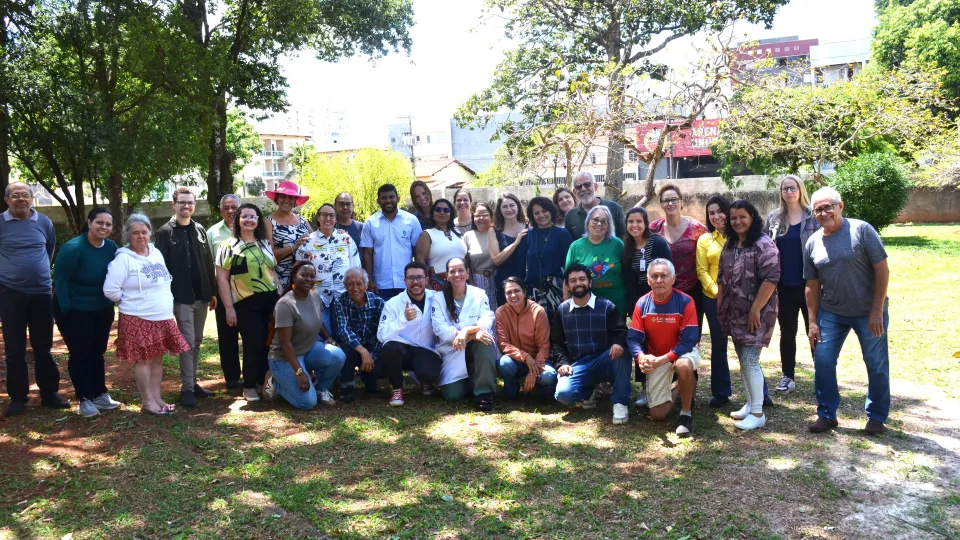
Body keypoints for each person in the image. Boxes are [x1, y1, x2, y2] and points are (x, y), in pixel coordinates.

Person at [804, 187, 890, 435]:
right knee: (823, 360)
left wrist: (876, 311)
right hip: (832, 313)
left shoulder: (861, 230)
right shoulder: (813, 242)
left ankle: (876, 416)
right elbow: (811, 285)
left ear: (840, 206)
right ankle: (827, 414)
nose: (823, 212)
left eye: (828, 206)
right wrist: (812, 322)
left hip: (868, 312)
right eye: (818, 209)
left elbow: (882, 271)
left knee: (875, 364)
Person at [104, 213, 190, 415]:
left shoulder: (156, 253)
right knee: (143, 360)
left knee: (157, 359)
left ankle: (157, 397)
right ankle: (148, 401)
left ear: (150, 233)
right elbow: (110, 290)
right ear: (128, 235)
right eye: (135, 233)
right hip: (137, 318)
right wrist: (132, 302)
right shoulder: (123, 259)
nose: (140, 236)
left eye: (144, 232)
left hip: (162, 316)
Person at [0, 182, 68, 416]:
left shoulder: (44, 222)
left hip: (40, 293)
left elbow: (49, 250)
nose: (21, 199)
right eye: (16, 195)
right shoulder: (1, 222)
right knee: (14, 347)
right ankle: (18, 398)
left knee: (43, 345)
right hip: (10, 293)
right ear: (7, 199)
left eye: (25, 195)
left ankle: (49, 393)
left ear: (32, 198)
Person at [717, 200, 780, 431]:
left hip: (758, 313)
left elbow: (771, 279)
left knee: (751, 359)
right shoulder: (731, 244)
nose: (737, 222)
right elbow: (722, 277)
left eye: (742, 217)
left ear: (752, 217)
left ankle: (757, 412)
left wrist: (755, 309)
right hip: (734, 312)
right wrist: (720, 304)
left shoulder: (764, 244)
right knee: (743, 358)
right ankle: (751, 403)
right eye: (733, 218)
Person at [52, 208, 120, 418]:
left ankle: (100, 393)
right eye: (99, 222)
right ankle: (84, 398)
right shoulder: (73, 248)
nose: (104, 227)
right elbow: (60, 280)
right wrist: (67, 310)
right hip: (74, 309)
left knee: (97, 352)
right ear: (89, 223)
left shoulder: (111, 248)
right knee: (80, 353)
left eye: (108, 224)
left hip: (101, 309)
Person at [155, 187, 218, 408]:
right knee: (188, 342)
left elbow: (208, 263)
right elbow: (160, 268)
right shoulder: (164, 232)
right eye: (182, 202)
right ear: (174, 204)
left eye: (190, 202)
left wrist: (212, 291)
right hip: (180, 296)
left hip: (201, 294)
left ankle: (193, 383)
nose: (186, 206)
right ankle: (187, 389)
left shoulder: (200, 230)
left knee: (197, 342)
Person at [627, 259, 701, 437]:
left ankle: (685, 414)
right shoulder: (642, 303)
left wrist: (662, 359)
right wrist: (641, 358)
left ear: (673, 279)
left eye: (664, 276)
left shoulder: (685, 301)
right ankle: (684, 387)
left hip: (682, 353)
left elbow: (688, 341)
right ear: (648, 280)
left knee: (682, 365)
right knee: (657, 414)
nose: (659, 280)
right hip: (656, 357)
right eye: (655, 276)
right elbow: (633, 338)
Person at [215, 203, 280, 402]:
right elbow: (222, 278)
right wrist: (228, 308)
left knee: (268, 343)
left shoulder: (264, 243)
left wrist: (281, 293)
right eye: (245, 216)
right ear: (238, 219)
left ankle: (263, 381)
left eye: (254, 216)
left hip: (270, 300)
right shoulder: (227, 246)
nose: (250, 220)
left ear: (258, 220)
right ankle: (249, 385)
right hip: (245, 302)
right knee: (254, 342)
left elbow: (272, 271)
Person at [551, 264, 630, 424]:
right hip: (579, 364)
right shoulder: (562, 310)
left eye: (582, 279)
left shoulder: (607, 306)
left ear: (590, 283)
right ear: (567, 285)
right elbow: (556, 342)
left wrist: (617, 343)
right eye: (573, 280)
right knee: (563, 394)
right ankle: (588, 391)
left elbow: (621, 331)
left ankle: (620, 402)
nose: (578, 283)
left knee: (623, 351)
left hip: (605, 359)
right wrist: (563, 362)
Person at [263, 261, 346, 409]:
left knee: (338, 356)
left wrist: (327, 337)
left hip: (307, 351)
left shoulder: (314, 295)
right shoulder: (286, 304)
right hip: (284, 358)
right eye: (304, 275)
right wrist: (300, 373)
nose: (309, 279)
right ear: (294, 277)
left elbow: (318, 320)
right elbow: (285, 344)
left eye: (312, 276)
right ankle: (275, 382)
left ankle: (320, 389)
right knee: (307, 403)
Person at [765, 174, 819, 394]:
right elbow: (767, 248)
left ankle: (822, 374)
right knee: (787, 333)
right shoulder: (775, 218)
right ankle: (788, 376)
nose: (789, 192)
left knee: (815, 331)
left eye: (793, 188)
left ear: (800, 189)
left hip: (810, 284)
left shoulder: (813, 216)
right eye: (785, 188)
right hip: (784, 286)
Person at [430, 257, 498, 410]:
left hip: (475, 345)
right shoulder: (439, 298)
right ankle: (474, 378)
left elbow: (487, 319)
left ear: (468, 273)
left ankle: (484, 393)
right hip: (452, 349)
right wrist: (471, 334)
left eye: (461, 270)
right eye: (452, 271)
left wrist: (466, 331)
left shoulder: (479, 294)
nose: (457, 274)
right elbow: (440, 329)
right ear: (447, 275)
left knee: (485, 341)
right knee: (452, 395)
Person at [622, 205, 672, 408]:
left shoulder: (657, 243)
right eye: (631, 222)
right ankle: (644, 388)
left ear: (645, 223)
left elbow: (668, 272)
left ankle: (669, 384)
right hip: (639, 303)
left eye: (638, 221)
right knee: (640, 343)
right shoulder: (626, 247)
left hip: (660, 299)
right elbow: (628, 278)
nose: (635, 225)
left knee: (662, 341)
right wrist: (635, 305)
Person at [376, 262, 443, 406]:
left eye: (420, 277)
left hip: (426, 349)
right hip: (402, 350)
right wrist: (403, 319)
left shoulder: (438, 298)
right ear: (404, 280)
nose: (416, 282)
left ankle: (424, 380)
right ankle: (397, 388)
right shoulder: (393, 303)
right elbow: (381, 335)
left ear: (426, 280)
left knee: (430, 372)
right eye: (411, 278)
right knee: (389, 347)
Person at [649, 184, 708, 333]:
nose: (670, 204)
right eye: (666, 200)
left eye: (674, 199)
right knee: (666, 336)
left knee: (691, 337)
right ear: (661, 204)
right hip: (664, 291)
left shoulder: (698, 229)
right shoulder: (654, 229)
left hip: (692, 291)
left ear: (681, 202)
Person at [296, 202, 360, 332]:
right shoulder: (308, 241)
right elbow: (300, 272)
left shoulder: (345, 238)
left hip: (344, 297)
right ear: (318, 218)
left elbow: (356, 267)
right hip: (317, 299)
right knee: (323, 337)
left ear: (336, 219)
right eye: (324, 215)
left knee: (344, 335)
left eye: (332, 215)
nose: (328, 218)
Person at [697, 195, 733, 408]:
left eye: (720, 211)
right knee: (718, 345)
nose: (717, 216)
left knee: (746, 344)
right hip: (712, 299)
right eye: (711, 213)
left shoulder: (739, 236)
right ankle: (721, 392)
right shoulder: (705, 240)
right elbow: (701, 271)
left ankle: (760, 392)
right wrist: (717, 292)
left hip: (739, 298)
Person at [496, 277, 557, 401]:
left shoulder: (538, 311)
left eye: (516, 291)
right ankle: (511, 392)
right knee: (504, 363)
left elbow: (544, 346)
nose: (513, 295)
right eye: (508, 292)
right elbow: (503, 344)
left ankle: (544, 394)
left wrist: (533, 370)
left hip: (539, 360)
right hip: (516, 360)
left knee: (548, 375)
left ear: (524, 292)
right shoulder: (501, 312)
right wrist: (526, 357)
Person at [361, 183, 423, 301]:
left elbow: (418, 253)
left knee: (408, 317)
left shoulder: (411, 220)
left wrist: (418, 279)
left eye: (391, 197)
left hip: (407, 283)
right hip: (380, 285)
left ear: (398, 198)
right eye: (384, 198)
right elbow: (367, 254)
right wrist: (369, 280)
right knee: (384, 318)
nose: (388, 200)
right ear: (378, 201)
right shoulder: (370, 223)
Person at [332, 267, 385, 402]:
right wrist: (363, 351)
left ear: (366, 285)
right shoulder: (340, 301)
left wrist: (370, 355)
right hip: (353, 347)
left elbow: (383, 332)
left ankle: (370, 379)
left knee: (384, 354)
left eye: (359, 283)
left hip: (373, 348)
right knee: (344, 350)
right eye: (350, 284)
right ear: (345, 286)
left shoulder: (378, 302)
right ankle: (347, 386)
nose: (354, 288)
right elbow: (343, 330)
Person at [207, 194, 243, 389]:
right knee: (227, 336)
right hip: (223, 292)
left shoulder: (251, 229)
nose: (230, 211)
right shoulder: (212, 233)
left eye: (234, 207)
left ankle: (253, 375)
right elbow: (208, 265)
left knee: (251, 334)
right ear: (221, 210)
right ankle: (231, 377)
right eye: (226, 207)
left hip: (248, 293)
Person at [565, 205, 627, 315]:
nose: (599, 224)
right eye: (595, 220)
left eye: (604, 221)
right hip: (586, 304)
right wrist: (566, 306)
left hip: (616, 304)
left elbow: (627, 273)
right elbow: (567, 278)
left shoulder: (617, 244)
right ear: (588, 222)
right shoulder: (576, 246)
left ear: (608, 226)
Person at [524, 197, 573, 317]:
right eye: (536, 213)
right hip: (533, 290)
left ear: (551, 211)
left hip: (556, 288)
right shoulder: (528, 234)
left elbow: (570, 265)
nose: (541, 215)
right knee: (537, 327)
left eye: (544, 211)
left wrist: (567, 290)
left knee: (557, 326)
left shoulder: (562, 234)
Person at [265, 180, 312, 287]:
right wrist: (294, 247)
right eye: (283, 196)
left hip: (305, 280)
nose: (286, 200)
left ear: (295, 200)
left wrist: (336, 233)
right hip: (282, 280)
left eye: (291, 197)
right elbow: (268, 256)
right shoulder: (268, 222)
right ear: (277, 198)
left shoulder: (302, 219)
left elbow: (316, 241)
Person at [415, 198, 466, 291]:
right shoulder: (427, 234)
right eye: (438, 209)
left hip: (461, 282)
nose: (442, 212)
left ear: (450, 214)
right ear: (433, 214)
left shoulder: (458, 232)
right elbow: (420, 260)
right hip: (438, 285)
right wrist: (427, 284)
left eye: (446, 210)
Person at [489, 193, 528, 306]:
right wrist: (515, 243)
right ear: (500, 210)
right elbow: (496, 260)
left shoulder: (529, 226)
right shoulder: (494, 230)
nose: (509, 209)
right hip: (505, 283)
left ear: (518, 207)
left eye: (512, 205)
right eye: (505, 206)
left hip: (526, 280)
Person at [563, 172, 626, 239]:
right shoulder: (570, 216)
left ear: (595, 187)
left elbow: (624, 236)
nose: (583, 189)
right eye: (578, 186)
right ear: (574, 191)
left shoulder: (614, 208)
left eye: (587, 185)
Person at [461, 202, 498, 307]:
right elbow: (466, 263)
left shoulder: (497, 233)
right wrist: (471, 283)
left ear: (491, 216)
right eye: (477, 215)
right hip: (476, 281)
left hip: (497, 280)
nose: (481, 218)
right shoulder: (468, 236)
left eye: (485, 214)